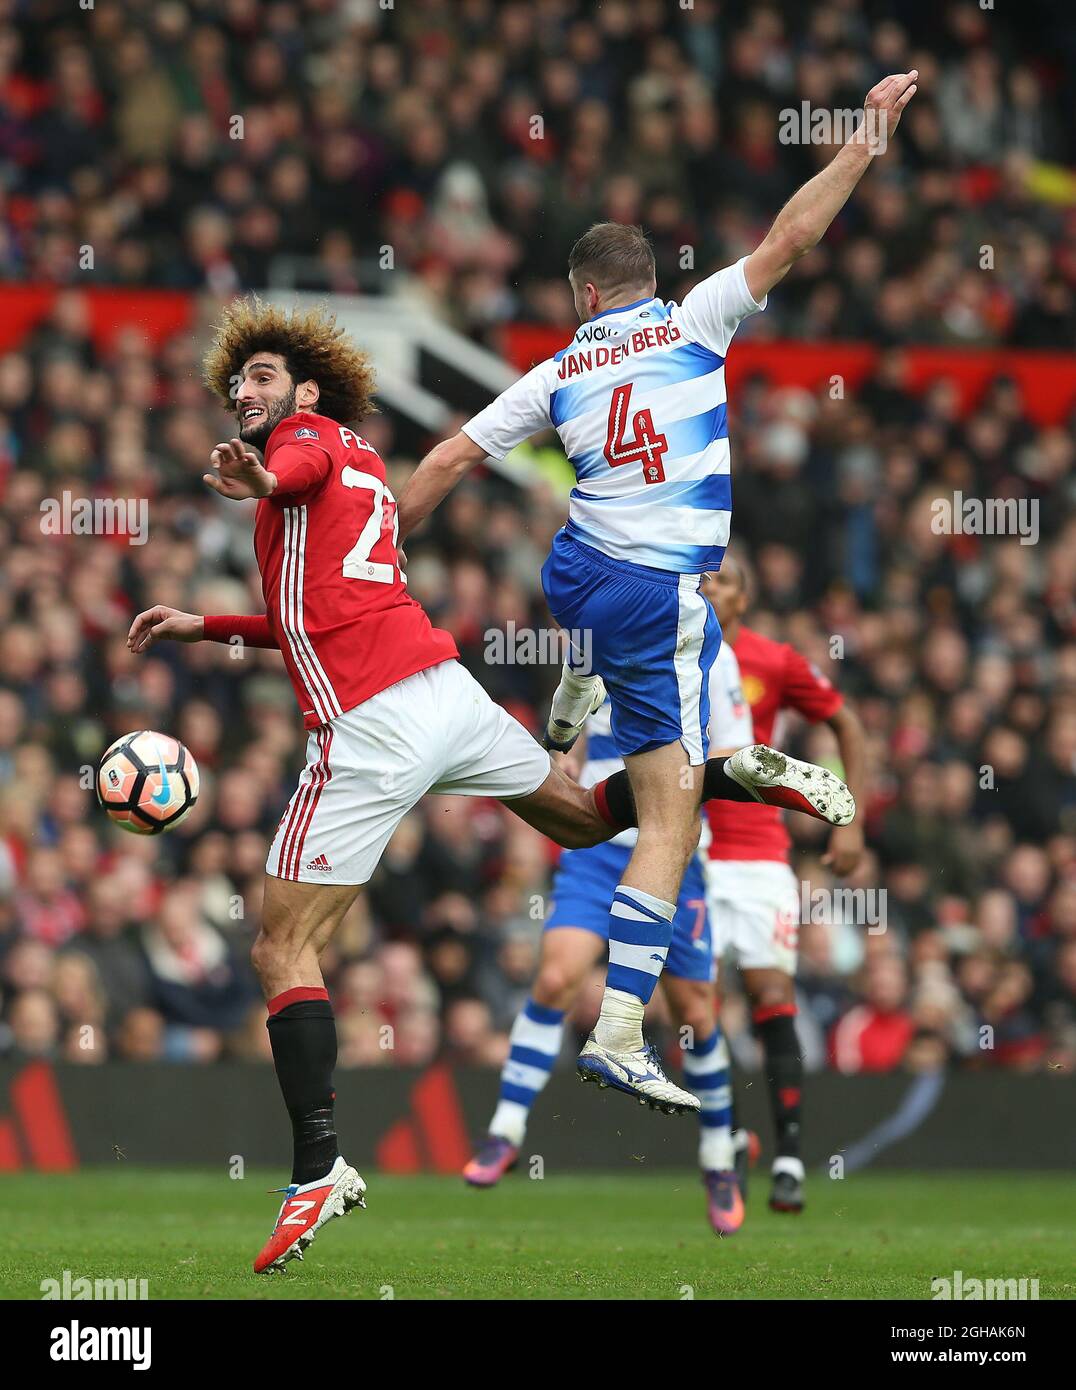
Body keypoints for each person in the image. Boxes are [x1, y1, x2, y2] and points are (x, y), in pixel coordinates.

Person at [128, 300, 853, 1274]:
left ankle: (317, 1168)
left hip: (371, 722)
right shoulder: (356, 466)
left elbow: (289, 463)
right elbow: (313, 617)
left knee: (278, 942)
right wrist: (206, 625)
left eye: (259, 377)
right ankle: (725, 771)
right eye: (236, 384)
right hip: (443, 692)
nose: (243, 393)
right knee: (582, 813)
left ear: (303, 389)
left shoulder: (300, 447)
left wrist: (261, 473)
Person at [394, 71, 915, 1112]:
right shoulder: (694, 321)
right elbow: (789, 239)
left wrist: (381, 545)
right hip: (653, 591)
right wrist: (860, 143)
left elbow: (449, 458)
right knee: (668, 816)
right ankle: (624, 1028)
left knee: (618, 774)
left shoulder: (553, 372)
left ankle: (588, 697)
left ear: (584, 293)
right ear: (641, 282)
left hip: (573, 574)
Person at [464, 636, 755, 1235]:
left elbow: (734, 754)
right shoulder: (602, 638)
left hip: (673, 850)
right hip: (598, 849)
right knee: (554, 977)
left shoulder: (712, 657)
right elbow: (573, 716)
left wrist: (667, 773)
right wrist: (559, 752)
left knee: (697, 1013)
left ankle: (719, 1159)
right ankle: (505, 1132)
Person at [701, 559, 866, 1214]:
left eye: (727, 581)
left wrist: (850, 821)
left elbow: (846, 723)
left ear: (746, 597)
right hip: (694, 849)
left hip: (762, 853)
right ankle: (732, 1137)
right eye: (705, 578)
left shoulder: (773, 660)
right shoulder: (672, 651)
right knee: (697, 1006)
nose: (713, 587)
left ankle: (791, 1155)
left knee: (771, 993)